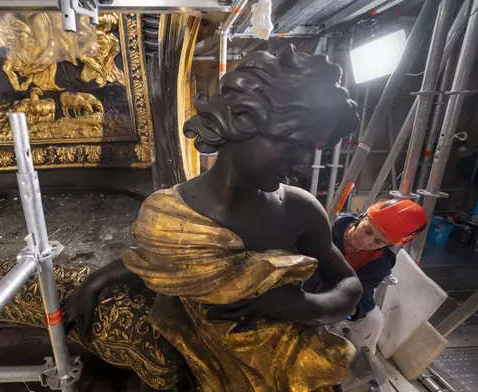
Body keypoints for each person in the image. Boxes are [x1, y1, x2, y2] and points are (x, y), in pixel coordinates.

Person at [62, 45, 362, 392]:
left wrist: (299, 305)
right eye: (295, 145)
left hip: (289, 369)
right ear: (242, 122)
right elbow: (163, 264)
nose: (304, 165)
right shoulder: (169, 213)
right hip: (201, 369)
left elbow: (348, 284)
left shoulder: (300, 209)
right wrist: (93, 284)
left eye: (313, 150)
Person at [330, 199, 427, 353]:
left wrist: (351, 309)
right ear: (363, 217)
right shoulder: (329, 226)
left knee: (373, 321)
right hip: (306, 287)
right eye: (368, 230)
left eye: (378, 241)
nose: (366, 241)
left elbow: (362, 293)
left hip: (341, 297)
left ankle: (363, 363)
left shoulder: (381, 262)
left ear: (387, 245)